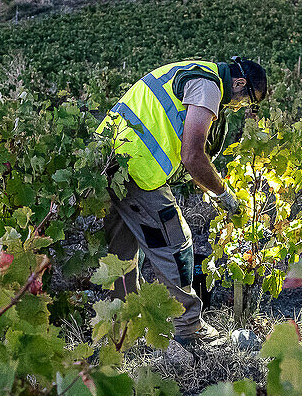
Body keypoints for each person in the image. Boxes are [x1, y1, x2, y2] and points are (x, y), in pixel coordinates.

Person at [96, 57, 268, 347]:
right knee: (176, 243)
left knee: (122, 248)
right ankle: (188, 328)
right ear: (239, 83)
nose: (240, 107)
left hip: (110, 159)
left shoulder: (197, 70)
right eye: (247, 100)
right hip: (138, 167)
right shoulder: (209, 87)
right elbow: (193, 155)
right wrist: (222, 193)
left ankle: (124, 325)